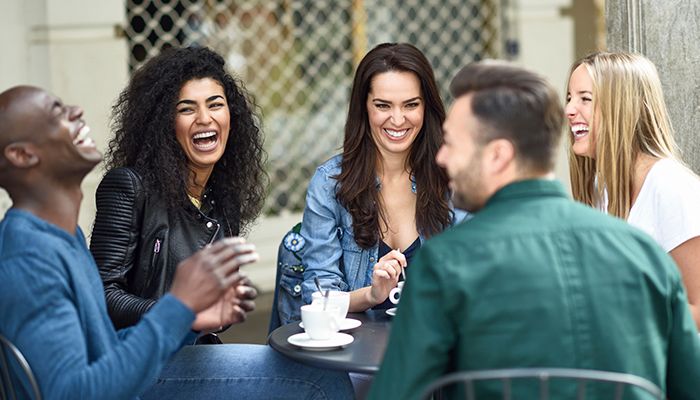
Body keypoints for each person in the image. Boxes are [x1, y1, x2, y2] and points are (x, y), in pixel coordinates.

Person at [368, 61, 700, 399]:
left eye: (452, 143)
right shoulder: (644, 254)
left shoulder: (444, 264)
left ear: (498, 155)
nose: (441, 157)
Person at [0, 85, 354, 399]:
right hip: (146, 375)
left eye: (216, 104)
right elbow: (76, 392)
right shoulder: (29, 258)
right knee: (318, 381)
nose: (76, 111)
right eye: (57, 112)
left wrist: (193, 316)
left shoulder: (62, 236)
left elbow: (102, 349)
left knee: (320, 375)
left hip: (153, 360)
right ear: (21, 155)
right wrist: (178, 307)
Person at [90, 46, 267, 338]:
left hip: (193, 352)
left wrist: (223, 308)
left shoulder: (223, 198)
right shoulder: (128, 187)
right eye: (186, 108)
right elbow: (101, 295)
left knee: (308, 371)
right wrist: (182, 314)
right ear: (163, 124)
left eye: (215, 104)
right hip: (138, 359)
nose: (205, 118)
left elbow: (213, 316)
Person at [282, 43, 465, 322]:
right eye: (383, 105)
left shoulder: (456, 181)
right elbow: (318, 296)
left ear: (426, 107)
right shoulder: (329, 184)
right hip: (352, 360)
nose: (398, 119)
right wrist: (372, 295)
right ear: (364, 107)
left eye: (411, 104)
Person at [566, 51, 700, 329]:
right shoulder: (600, 188)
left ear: (622, 107)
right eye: (569, 98)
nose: (569, 110)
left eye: (585, 99)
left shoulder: (670, 186)